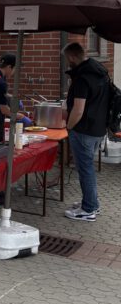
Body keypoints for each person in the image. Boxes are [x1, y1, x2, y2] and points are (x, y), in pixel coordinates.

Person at [63, 42, 109, 222]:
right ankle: (91, 203)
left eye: (67, 58)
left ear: (72, 57)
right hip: (98, 128)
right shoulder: (100, 72)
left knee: (85, 170)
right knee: (88, 168)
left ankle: (88, 209)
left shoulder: (82, 78)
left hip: (83, 131)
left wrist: (69, 127)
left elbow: (78, 109)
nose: (67, 62)